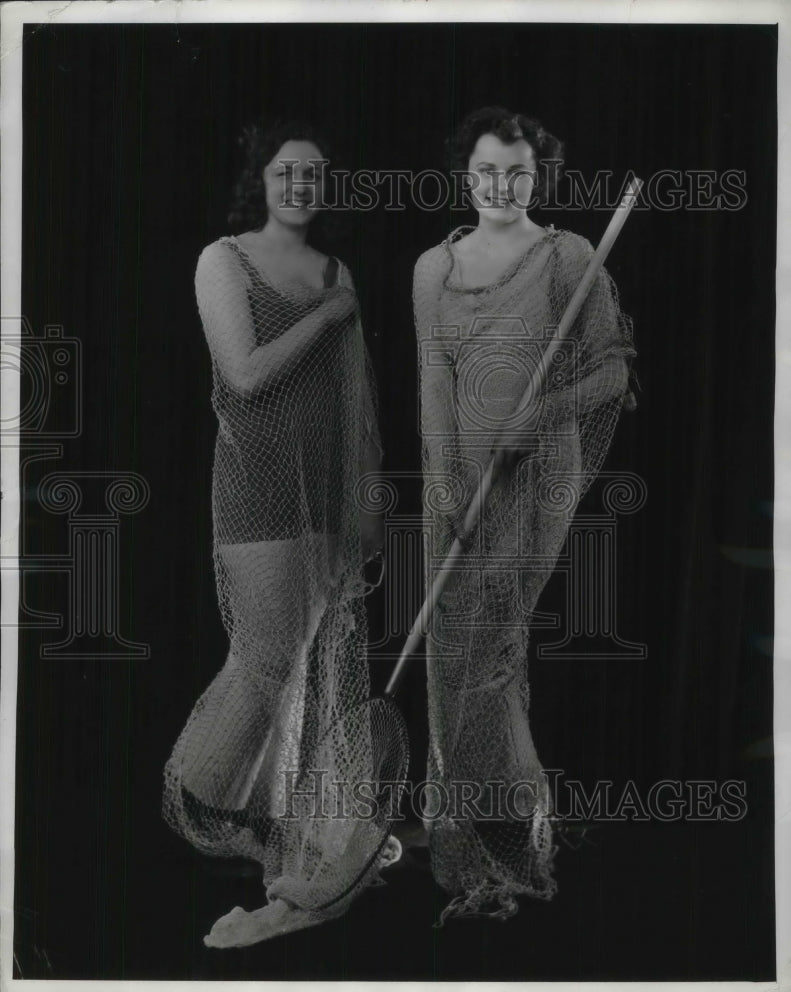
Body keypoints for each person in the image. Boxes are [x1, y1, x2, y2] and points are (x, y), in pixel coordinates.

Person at [163, 119, 401, 948]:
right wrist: (333, 314)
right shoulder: (223, 260)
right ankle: (203, 802)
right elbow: (246, 374)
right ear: (260, 180)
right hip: (258, 493)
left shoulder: (338, 270)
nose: (300, 185)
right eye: (285, 172)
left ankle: (286, 850)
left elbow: (356, 405)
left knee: (308, 670)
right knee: (266, 660)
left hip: (328, 498)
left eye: (314, 174)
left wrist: (368, 507)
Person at [413, 107, 636, 924]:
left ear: (537, 174)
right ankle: (467, 845)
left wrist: (534, 419)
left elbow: (610, 376)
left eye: (515, 171)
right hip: (458, 481)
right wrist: (445, 491)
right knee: (448, 654)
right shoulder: (430, 268)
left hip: (538, 475)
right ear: (463, 174)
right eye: (484, 172)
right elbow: (433, 390)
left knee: (492, 651)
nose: (499, 186)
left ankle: (517, 841)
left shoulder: (568, 256)